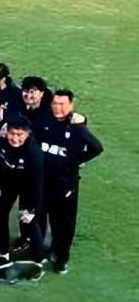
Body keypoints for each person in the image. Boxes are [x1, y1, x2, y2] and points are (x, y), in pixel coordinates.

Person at [34, 90, 103, 274]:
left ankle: (62, 257)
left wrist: (75, 161)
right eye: (55, 103)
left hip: (65, 184)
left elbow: (97, 147)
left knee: (63, 223)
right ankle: (40, 252)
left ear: (71, 105)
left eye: (62, 104)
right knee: (39, 216)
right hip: (43, 180)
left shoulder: (76, 126)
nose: (58, 108)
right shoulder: (44, 120)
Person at [0, 115, 46, 282]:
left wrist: (32, 209)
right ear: (7, 131)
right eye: (12, 134)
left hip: (27, 186)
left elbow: (37, 184)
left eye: (20, 135)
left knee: (29, 222)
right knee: (0, 215)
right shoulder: (0, 143)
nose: (15, 138)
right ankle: (2, 253)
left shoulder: (34, 153)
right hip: (6, 183)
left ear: (27, 134)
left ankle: (39, 260)